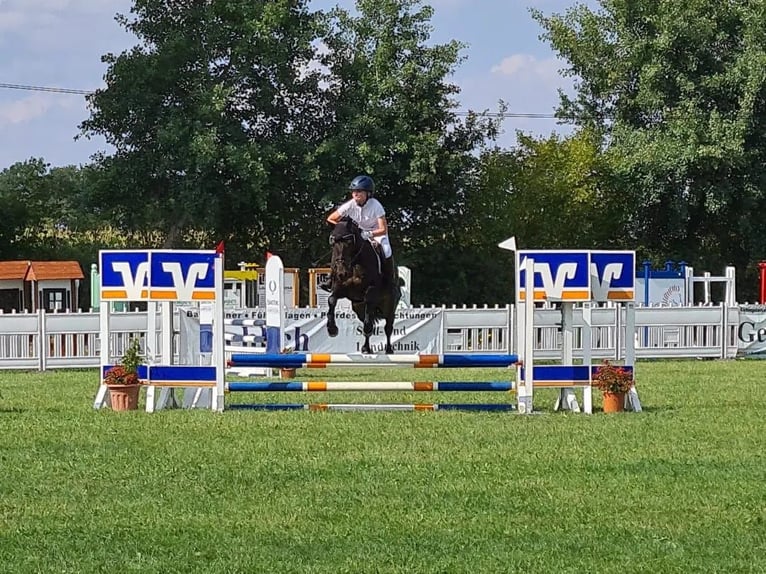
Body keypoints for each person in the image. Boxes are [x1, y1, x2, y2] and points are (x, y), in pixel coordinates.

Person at [324, 175, 397, 289]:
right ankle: (331, 278)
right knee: (341, 248)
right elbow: (331, 218)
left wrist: (369, 234)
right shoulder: (350, 205)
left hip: (376, 233)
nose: (355, 194)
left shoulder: (376, 206)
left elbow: (383, 229)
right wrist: (343, 228)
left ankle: (390, 280)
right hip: (358, 233)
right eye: (353, 192)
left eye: (359, 191)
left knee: (386, 251)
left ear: (368, 193)